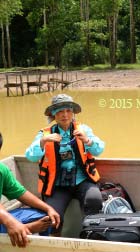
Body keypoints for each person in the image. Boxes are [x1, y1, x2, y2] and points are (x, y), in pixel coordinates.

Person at [25, 94, 105, 236]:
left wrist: (87, 140)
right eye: (60, 111)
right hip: (57, 185)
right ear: (53, 115)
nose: (65, 115)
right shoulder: (45, 134)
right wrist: (43, 142)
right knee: (52, 217)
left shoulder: (83, 129)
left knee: (94, 200)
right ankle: (56, 241)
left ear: (73, 113)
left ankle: (92, 235)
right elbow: (30, 156)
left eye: (68, 111)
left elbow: (99, 149)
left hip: (82, 180)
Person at [0, 132, 60, 248]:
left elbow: (21, 193)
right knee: (12, 223)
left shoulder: (1, 169)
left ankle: (37, 243)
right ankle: (25, 229)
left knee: (44, 217)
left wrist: (48, 208)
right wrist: (10, 222)